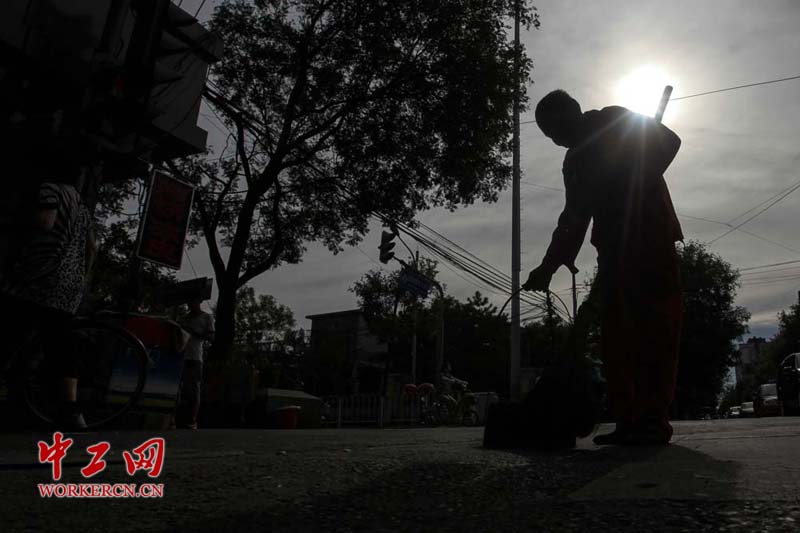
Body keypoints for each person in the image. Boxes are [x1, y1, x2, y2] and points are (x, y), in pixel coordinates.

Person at [523, 89, 683, 446]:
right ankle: (628, 419)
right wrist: (549, 265)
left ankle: (652, 421)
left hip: (651, 238)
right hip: (613, 249)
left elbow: (669, 141)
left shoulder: (613, 119)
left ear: (572, 113)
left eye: (555, 130)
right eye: (549, 136)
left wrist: (639, 175)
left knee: (655, 331)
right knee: (616, 337)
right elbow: (573, 217)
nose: (555, 140)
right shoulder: (574, 163)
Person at [0, 166, 99, 430]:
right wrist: (82, 278)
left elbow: (45, 222)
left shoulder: (50, 190)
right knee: (61, 344)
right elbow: (92, 246)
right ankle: (72, 411)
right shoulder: (82, 206)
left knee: (10, 331)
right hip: (69, 286)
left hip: (40, 277)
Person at [177, 298, 214, 429]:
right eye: (189, 302)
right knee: (179, 388)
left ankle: (192, 420)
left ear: (199, 302)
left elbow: (211, 337)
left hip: (195, 357)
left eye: (193, 302)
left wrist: (193, 332)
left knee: (194, 389)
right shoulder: (184, 318)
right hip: (181, 356)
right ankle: (175, 418)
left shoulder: (207, 317)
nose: (190, 304)